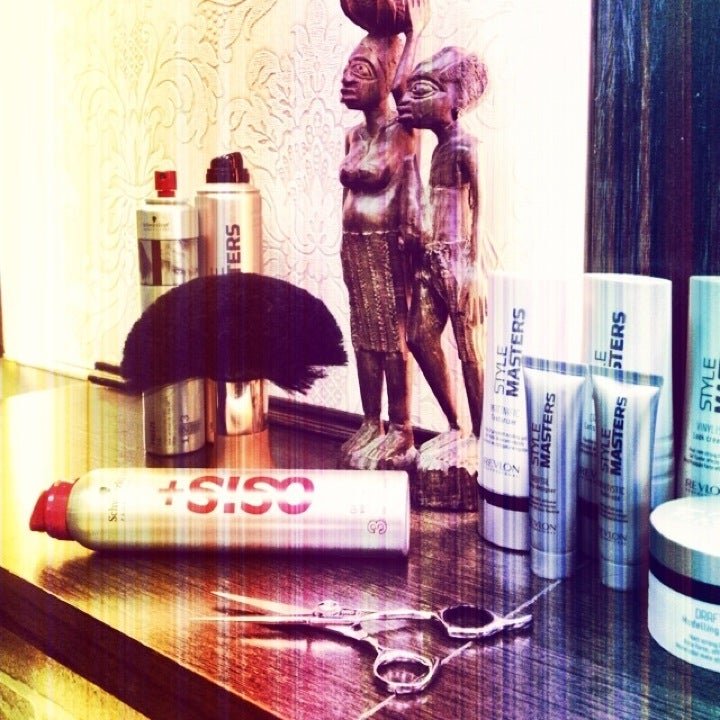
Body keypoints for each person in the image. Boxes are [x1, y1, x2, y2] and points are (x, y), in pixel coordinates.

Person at [338, 0, 429, 470]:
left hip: (387, 247)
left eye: (361, 71)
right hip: (355, 246)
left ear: (385, 78)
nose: (346, 79)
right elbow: (346, 198)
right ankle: (370, 421)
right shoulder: (354, 137)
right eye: (348, 69)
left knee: (392, 339)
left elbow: (402, 86)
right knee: (363, 337)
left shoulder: (403, 131)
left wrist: (414, 34)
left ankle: (401, 427)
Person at [397, 46, 488, 462]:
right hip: (431, 261)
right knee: (418, 337)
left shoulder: (467, 147)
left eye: (421, 91)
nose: (407, 100)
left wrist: (475, 270)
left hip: (458, 261)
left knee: (470, 351)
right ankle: (455, 426)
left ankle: (482, 439)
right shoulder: (436, 149)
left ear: (454, 99)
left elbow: (480, 208)